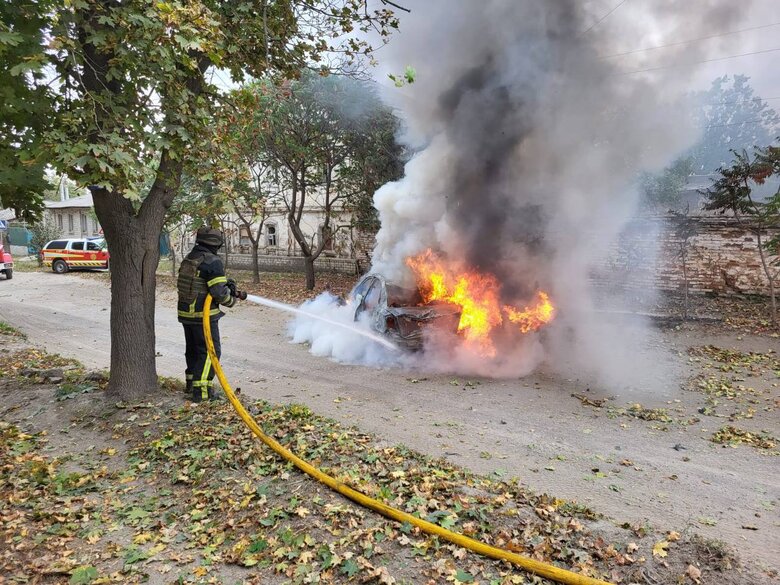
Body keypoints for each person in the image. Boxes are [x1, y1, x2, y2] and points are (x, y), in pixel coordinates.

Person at [177, 228, 246, 402]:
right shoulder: (212, 261)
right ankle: (202, 393)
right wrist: (232, 299)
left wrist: (226, 284)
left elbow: (207, 284)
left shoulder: (191, 257)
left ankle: (192, 386)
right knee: (209, 352)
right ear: (215, 244)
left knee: (193, 350)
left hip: (187, 313)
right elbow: (219, 293)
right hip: (204, 315)